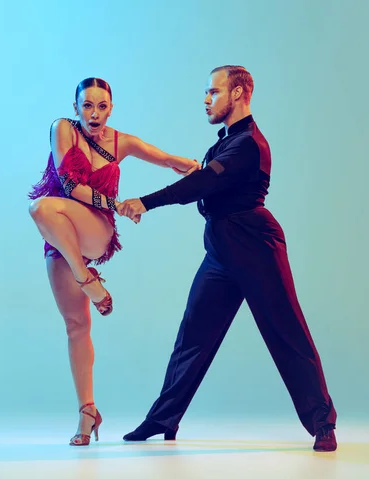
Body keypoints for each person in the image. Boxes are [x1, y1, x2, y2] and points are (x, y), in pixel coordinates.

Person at [118, 66, 338, 452]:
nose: (206, 99)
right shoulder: (226, 141)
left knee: (286, 333)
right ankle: (162, 419)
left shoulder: (248, 142)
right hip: (221, 249)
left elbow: (203, 184)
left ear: (238, 94)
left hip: (256, 247)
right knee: (193, 335)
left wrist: (145, 203)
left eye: (213, 92)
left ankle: (323, 424)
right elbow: (207, 180)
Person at [28, 77, 199, 447]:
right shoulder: (62, 129)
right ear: (75, 108)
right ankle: (87, 411)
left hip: (95, 231)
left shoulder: (123, 142)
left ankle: (86, 276)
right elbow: (70, 185)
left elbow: (168, 160)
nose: (94, 113)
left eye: (101, 106)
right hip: (62, 238)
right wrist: (118, 203)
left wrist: (192, 166)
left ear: (111, 108)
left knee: (40, 206)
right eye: (87, 106)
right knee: (76, 325)